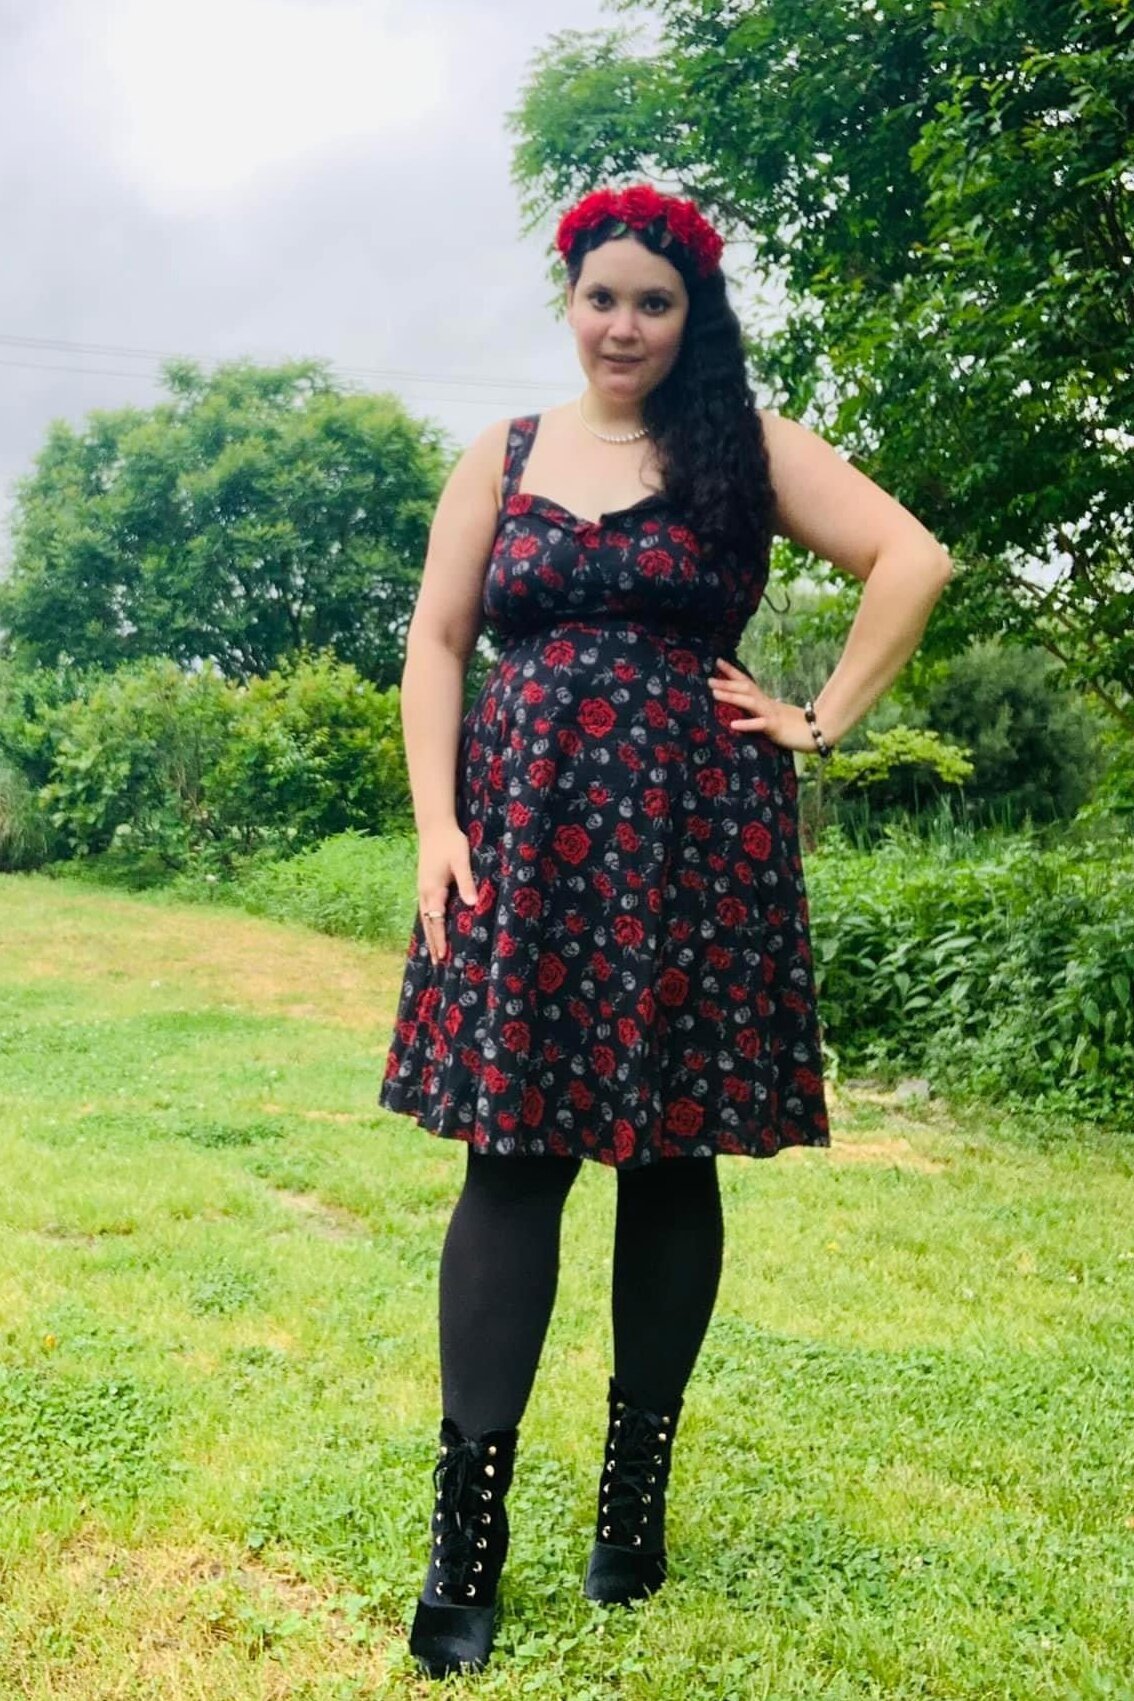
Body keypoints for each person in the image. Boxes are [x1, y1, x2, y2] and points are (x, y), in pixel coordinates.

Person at [378, 182, 952, 1678]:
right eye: (602, 298)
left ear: (692, 316)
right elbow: (438, 640)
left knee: (671, 1152)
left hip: (695, 845)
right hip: (523, 841)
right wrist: (439, 823)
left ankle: (631, 1512)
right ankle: (467, 1542)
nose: (624, 325)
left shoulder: (739, 448)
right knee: (511, 1158)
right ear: (568, 302)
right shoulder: (504, 454)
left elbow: (912, 558)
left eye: (654, 302)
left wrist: (817, 717)